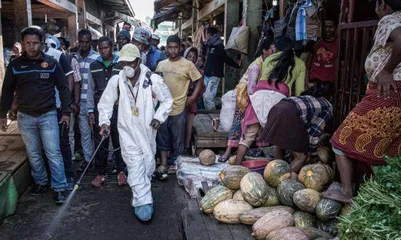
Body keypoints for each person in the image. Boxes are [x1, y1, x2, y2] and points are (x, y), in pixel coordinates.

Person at [323, 0, 401, 203]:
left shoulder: (390, 20)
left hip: (387, 94)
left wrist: (386, 70)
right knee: (388, 151)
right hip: (393, 95)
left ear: (382, 3)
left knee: (339, 141)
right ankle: (378, 197)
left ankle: (347, 192)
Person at [97, 44, 173, 221]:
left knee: (146, 164)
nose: (127, 67)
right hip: (126, 131)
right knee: (134, 163)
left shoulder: (153, 79)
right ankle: (143, 202)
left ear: (139, 61)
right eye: (123, 63)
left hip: (147, 131)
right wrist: (104, 123)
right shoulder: (116, 81)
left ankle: (139, 191)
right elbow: (105, 103)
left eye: (130, 63)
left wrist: (159, 117)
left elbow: (167, 101)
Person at [0, 26, 71, 204]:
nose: (31, 47)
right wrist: (2, 114)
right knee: (33, 153)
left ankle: (59, 187)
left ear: (41, 43)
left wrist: (67, 112)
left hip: (48, 115)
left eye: (35, 43)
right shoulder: (15, 65)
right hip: (25, 117)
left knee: (53, 152)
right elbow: (7, 90)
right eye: (28, 43)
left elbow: (63, 88)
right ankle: (40, 182)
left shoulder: (51, 63)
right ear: (23, 44)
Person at [234, 37, 306, 165]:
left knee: (247, 136)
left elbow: (262, 80)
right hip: (280, 101)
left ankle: (235, 167)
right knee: (279, 137)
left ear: (276, 48)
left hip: (259, 96)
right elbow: (300, 91)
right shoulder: (300, 64)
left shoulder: (269, 59)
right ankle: (277, 170)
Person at [219, 40, 276, 162]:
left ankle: (255, 152)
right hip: (246, 97)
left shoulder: (269, 64)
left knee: (258, 125)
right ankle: (228, 151)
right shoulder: (256, 66)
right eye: (272, 50)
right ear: (265, 51)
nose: (274, 53)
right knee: (238, 122)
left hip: (257, 98)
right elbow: (250, 88)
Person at [155, 35, 203, 180]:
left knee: (178, 137)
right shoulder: (161, 64)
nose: (173, 50)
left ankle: (176, 163)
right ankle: (163, 163)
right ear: (167, 47)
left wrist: (193, 97)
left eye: (176, 47)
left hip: (179, 107)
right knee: (162, 136)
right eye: (170, 47)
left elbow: (199, 80)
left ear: (180, 47)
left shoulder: (187, 64)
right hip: (162, 108)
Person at [260, 86, 333, 173]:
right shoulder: (328, 106)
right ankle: (281, 180)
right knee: (301, 157)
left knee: (280, 144)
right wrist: (312, 153)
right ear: (331, 97)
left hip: (276, 109)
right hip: (289, 114)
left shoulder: (309, 97)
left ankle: (274, 173)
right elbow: (315, 132)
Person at [87, 36, 126, 187]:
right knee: (101, 142)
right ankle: (101, 173)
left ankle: (121, 171)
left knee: (119, 139)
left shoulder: (121, 65)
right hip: (99, 109)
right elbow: (90, 89)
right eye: (101, 48)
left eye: (106, 48)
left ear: (112, 47)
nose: (104, 51)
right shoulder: (94, 65)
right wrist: (90, 110)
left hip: (118, 109)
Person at [44, 35, 77, 190]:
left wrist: (67, 105)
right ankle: (50, 178)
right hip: (42, 109)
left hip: (58, 108)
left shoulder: (58, 56)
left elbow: (70, 78)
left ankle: (68, 175)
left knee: (63, 143)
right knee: (47, 146)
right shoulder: (26, 58)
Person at [74, 29, 99, 172]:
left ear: (90, 42)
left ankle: (100, 160)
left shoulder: (96, 58)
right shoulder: (73, 58)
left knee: (96, 132)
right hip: (79, 102)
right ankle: (88, 160)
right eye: (81, 42)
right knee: (84, 133)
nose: (84, 45)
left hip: (93, 102)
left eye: (86, 42)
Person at [203, 26, 240, 110]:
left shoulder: (218, 46)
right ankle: (209, 111)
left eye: (206, 34)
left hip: (214, 75)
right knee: (205, 96)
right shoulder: (210, 45)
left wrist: (236, 65)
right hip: (207, 74)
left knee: (208, 97)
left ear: (208, 34)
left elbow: (225, 58)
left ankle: (212, 113)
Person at [183, 47, 206, 154]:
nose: (191, 59)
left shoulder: (199, 72)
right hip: (179, 101)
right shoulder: (179, 69)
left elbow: (201, 89)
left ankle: (186, 148)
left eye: (194, 57)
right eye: (189, 56)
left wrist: (192, 97)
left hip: (191, 102)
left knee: (188, 126)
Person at [309, 20, 339, 99]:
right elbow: (308, 62)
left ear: (336, 28)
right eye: (325, 26)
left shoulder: (340, 44)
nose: (327, 29)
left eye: (331, 27)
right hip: (314, 81)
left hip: (329, 84)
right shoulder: (315, 43)